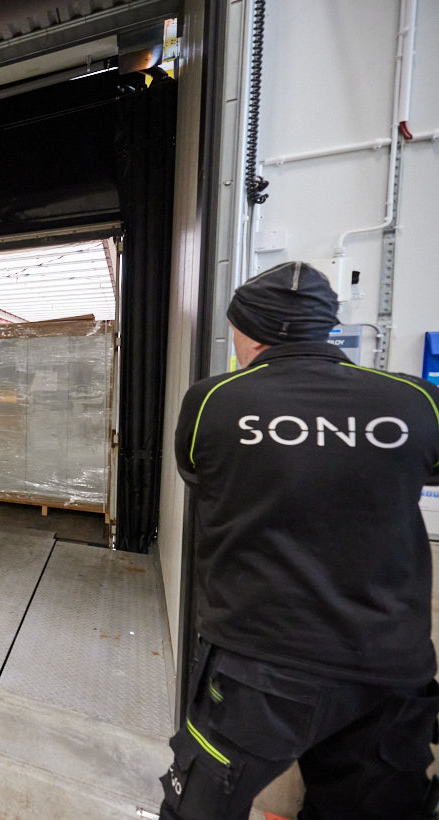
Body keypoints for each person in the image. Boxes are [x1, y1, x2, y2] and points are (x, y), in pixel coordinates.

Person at [159, 261, 439, 820]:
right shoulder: (417, 402)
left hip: (258, 662)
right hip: (388, 666)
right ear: (323, 327)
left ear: (247, 330)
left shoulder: (215, 401)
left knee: (203, 805)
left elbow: (195, 470)